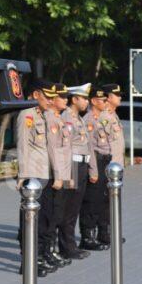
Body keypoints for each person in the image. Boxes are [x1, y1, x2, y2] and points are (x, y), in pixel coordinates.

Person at [16, 78, 58, 277]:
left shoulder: (44, 115)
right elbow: (23, 147)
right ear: (35, 94)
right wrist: (23, 176)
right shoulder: (28, 116)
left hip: (44, 174)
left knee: (42, 221)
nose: (51, 100)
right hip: (32, 175)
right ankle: (28, 262)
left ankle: (38, 256)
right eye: (47, 96)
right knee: (30, 221)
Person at [58, 83, 97, 260]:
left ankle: (69, 244)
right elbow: (64, 146)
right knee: (69, 207)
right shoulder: (67, 117)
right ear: (75, 99)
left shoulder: (78, 118)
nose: (86, 102)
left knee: (75, 207)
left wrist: (91, 168)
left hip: (81, 164)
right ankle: (67, 246)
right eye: (84, 98)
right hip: (72, 165)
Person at [42, 83, 72, 270]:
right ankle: (48, 251)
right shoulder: (50, 120)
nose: (65, 100)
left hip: (63, 172)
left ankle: (51, 250)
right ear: (53, 100)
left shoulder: (58, 119)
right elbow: (53, 150)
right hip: (55, 175)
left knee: (58, 213)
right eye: (62, 97)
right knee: (51, 216)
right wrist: (59, 175)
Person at [80, 85, 112, 251]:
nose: (106, 102)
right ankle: (87, 237)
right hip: (96, 163)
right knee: (91, 201)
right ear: (93, 101)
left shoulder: (102, 118)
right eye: (102, 100)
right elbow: (90, 148)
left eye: (107, 99)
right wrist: (93, 170)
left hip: (105, 161)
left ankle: (99, 234)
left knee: (101, 200)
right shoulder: (89, 120)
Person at [103, 84, 126, 166]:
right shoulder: (104, 116)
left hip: (117, 163)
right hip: (109, 164)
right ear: (108, 98)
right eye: (117, 95)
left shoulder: (114, 114)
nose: (120, 97)